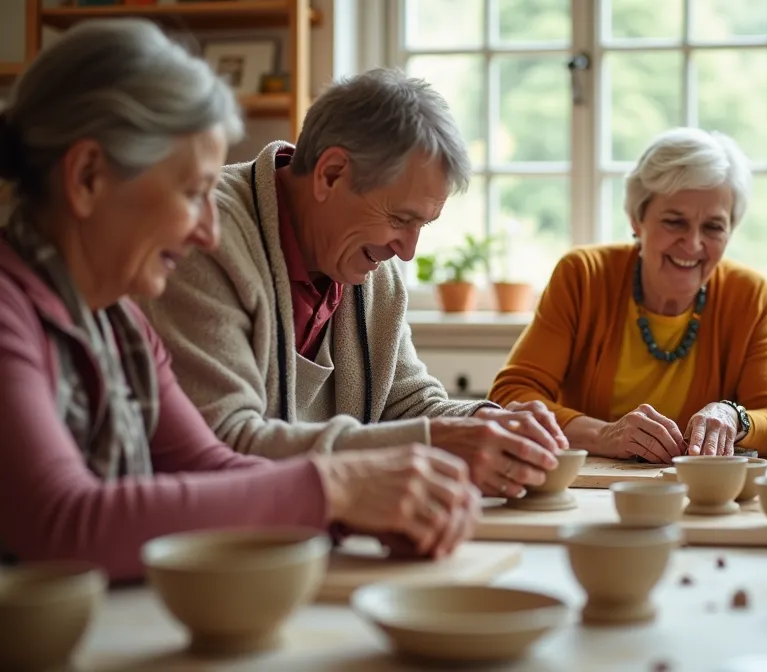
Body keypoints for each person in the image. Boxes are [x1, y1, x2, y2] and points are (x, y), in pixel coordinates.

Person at [0, 20, 479, 581]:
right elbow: (63, 525)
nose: (208, 230)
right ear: (87, 178)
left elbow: (214, 469)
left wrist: (364, 507)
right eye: (192, 192)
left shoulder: (119, 321)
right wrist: (340, 488)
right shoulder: (9, 311)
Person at [136, 68, 566, 499]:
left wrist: (488, 424)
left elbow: (407, 405)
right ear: (331, 174)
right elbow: (222, 446)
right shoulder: (204, 239)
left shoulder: (371, 267)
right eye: (401, 219)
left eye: (423, 225)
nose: (408, 251)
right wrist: (435, 441)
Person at [488, 128, 767, 462]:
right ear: (637, 220)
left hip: (698, 496)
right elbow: (509, 397)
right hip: (589, 486)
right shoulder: (584, 275)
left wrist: (733, 415)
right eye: (674, 222)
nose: (693, 244)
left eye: (713, 227)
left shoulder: (748, 296)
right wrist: (602, 434)